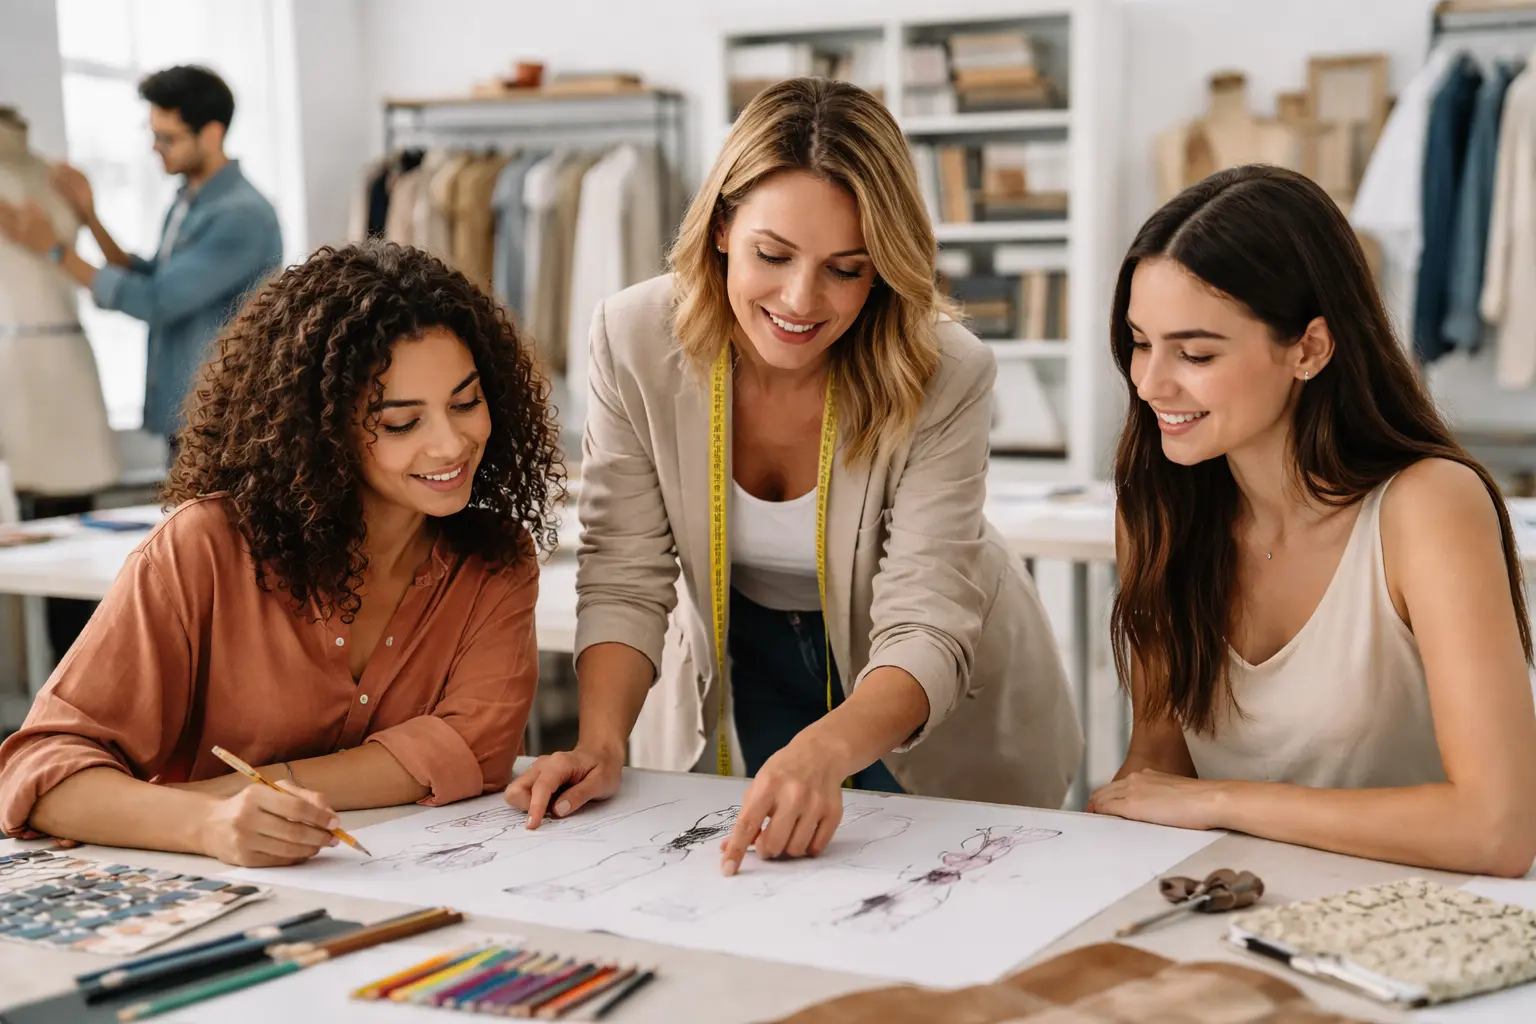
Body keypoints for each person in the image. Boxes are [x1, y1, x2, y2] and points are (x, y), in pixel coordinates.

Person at [505, 77, 1083, 875]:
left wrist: (830, 747)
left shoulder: (945, 370)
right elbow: (626, 573)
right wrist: (601, 740)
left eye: (847, 269)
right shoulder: (634, 337)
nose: (802, 300)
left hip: (919, 692)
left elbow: (926, 618)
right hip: (745, 661)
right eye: (771, 256)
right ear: (719, 229)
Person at [0, 240, 564, 868]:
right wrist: (207, 823)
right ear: (322, 432)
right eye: (402, 423)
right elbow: (41, 769)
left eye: (466, 403)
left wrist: (250, 790)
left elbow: (475, 748)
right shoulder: (204, 551)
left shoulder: (494, 560)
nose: (452, 442)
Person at [1087, 165, 1536, 878]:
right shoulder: (1159, 510)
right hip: (1233, 910)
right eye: (1141, 342)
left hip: (1428, 925)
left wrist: (1224, 803)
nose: (1149, 383)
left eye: (1195, 353)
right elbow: (1156, 775)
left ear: (1310, 349)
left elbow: (1497, 831)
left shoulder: (1428, 508)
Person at [0, 64, 283, 443]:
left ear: (212, 134)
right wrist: (90, 218)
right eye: (153, 135)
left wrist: (54, 249)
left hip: (223, 423)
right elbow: (152, 276)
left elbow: (157, 301)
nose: (155, 148)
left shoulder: (242, 216)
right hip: (191, 418)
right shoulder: (189, 202)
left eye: (168, 138)